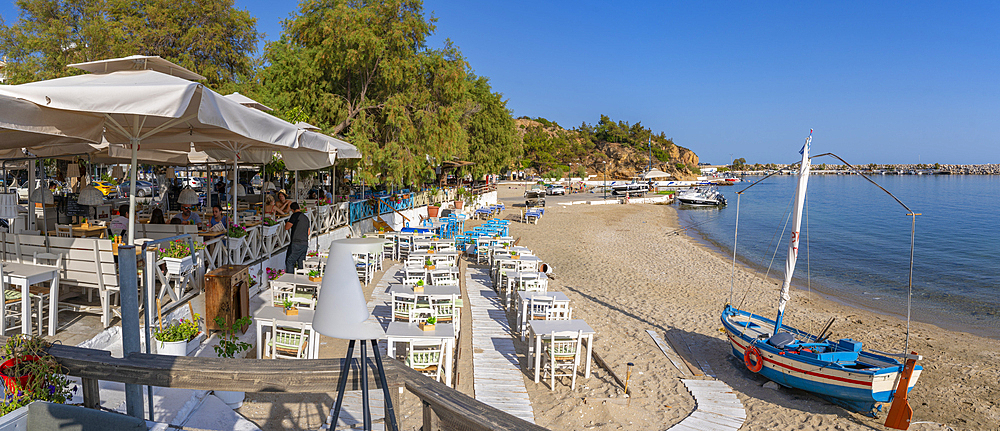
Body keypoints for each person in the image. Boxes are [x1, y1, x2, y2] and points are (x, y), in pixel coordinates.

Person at [284, 202, 310, 273]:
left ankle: (290, 280)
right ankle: (301, 280)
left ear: (292, 210)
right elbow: (308, 232)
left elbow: (287, 227)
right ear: (299, 208)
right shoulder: (306, 217)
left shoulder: (295, 216)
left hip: (296, 243)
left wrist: (286, 222)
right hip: (305, 243)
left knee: (290, 261)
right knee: (301, 263)